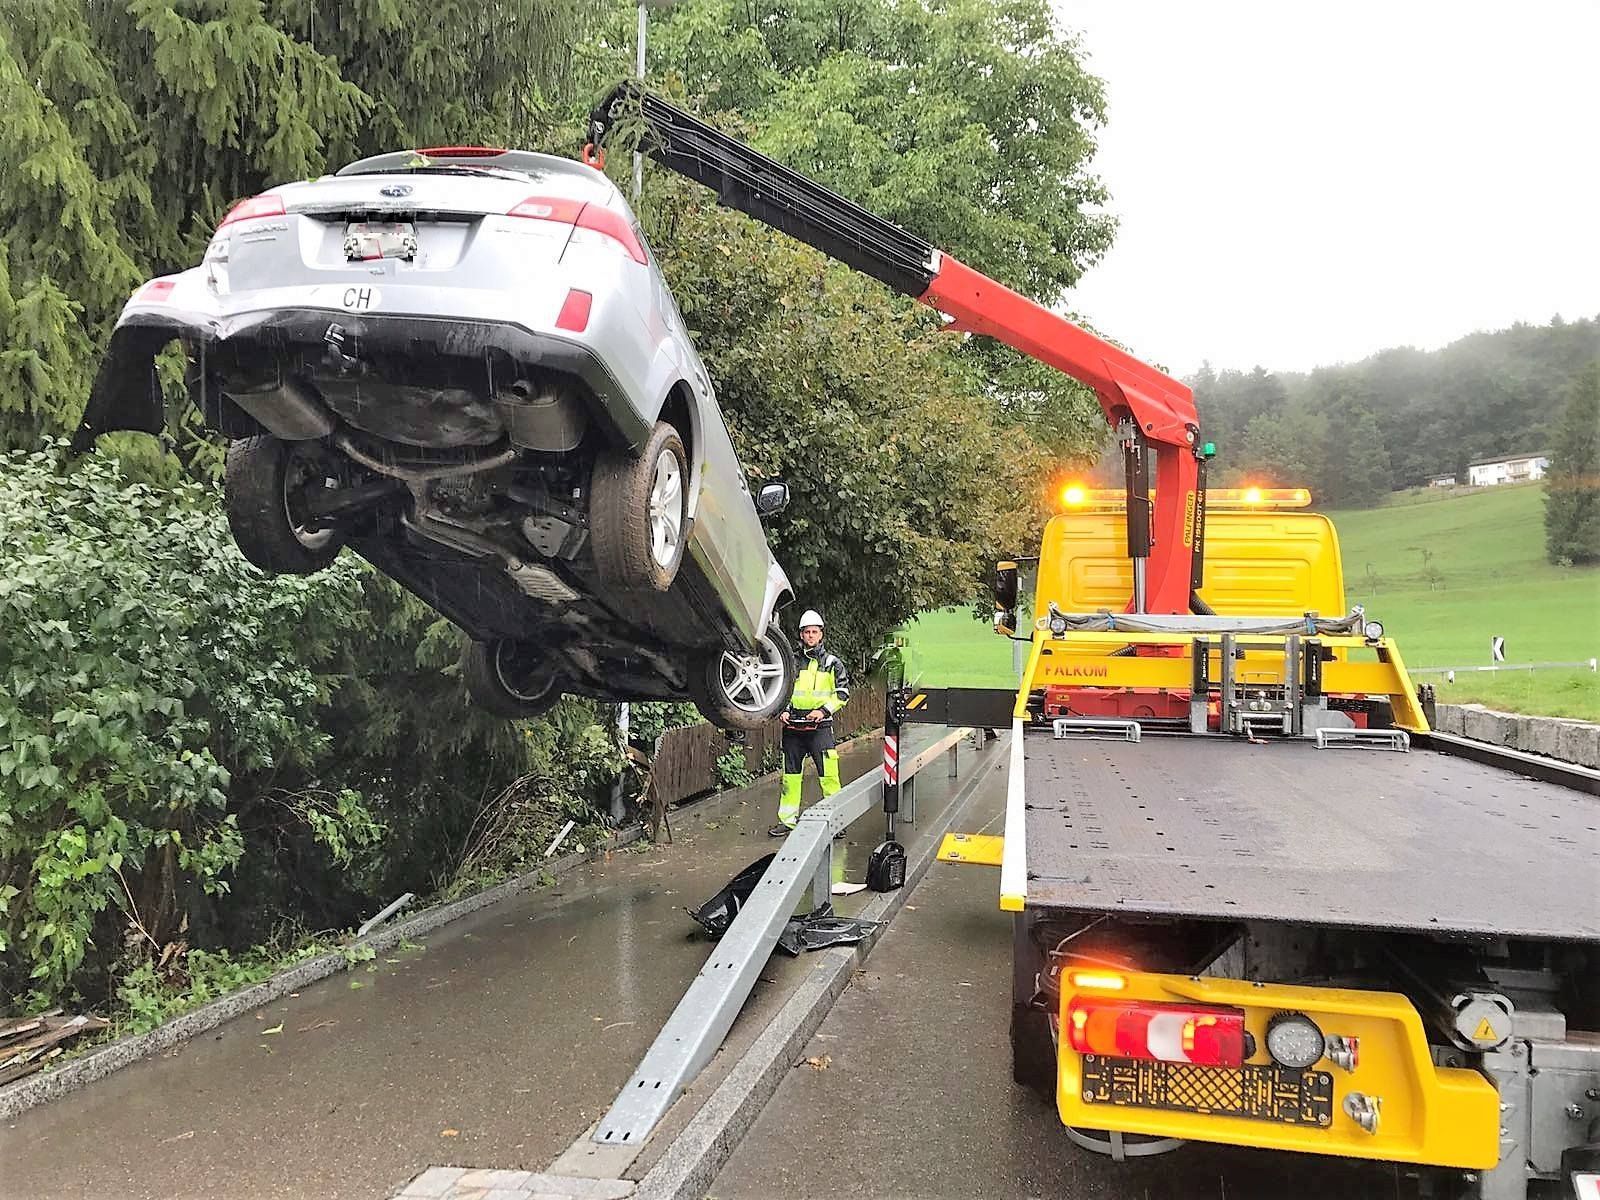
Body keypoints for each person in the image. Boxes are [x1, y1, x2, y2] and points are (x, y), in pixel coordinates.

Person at [770, 610, 851, 837]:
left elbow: (843, 693)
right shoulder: (791, 661)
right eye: (807, 632)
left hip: (820, 726)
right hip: (793, 726)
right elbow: (779, 689)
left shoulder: (832, 663)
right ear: (801, 635)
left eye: (815, 632)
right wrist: (782, 711)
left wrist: (823, 710)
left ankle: (837, 822)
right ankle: (786, 821)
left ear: (821, 634)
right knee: (791, 776)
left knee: (829, 777)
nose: (811, 636)